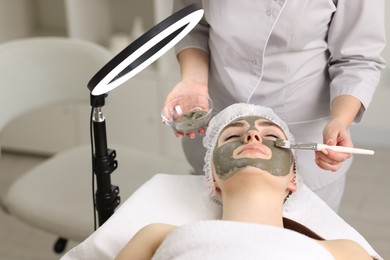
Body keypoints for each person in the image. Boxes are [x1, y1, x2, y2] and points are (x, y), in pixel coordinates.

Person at [163, 0, 386, 211]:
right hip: (219, 118)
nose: (251, 134)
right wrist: (194, 81)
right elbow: (192, 24)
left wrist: (340, 119)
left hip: (303, 136)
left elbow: (358, 59)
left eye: (268, 132)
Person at [116, 104, 373, 259]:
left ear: (292, 179)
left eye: (271, 135)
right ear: (212, 178)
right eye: (231, 137)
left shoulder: (344, 253)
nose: (251, 135)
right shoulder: (155, 236)